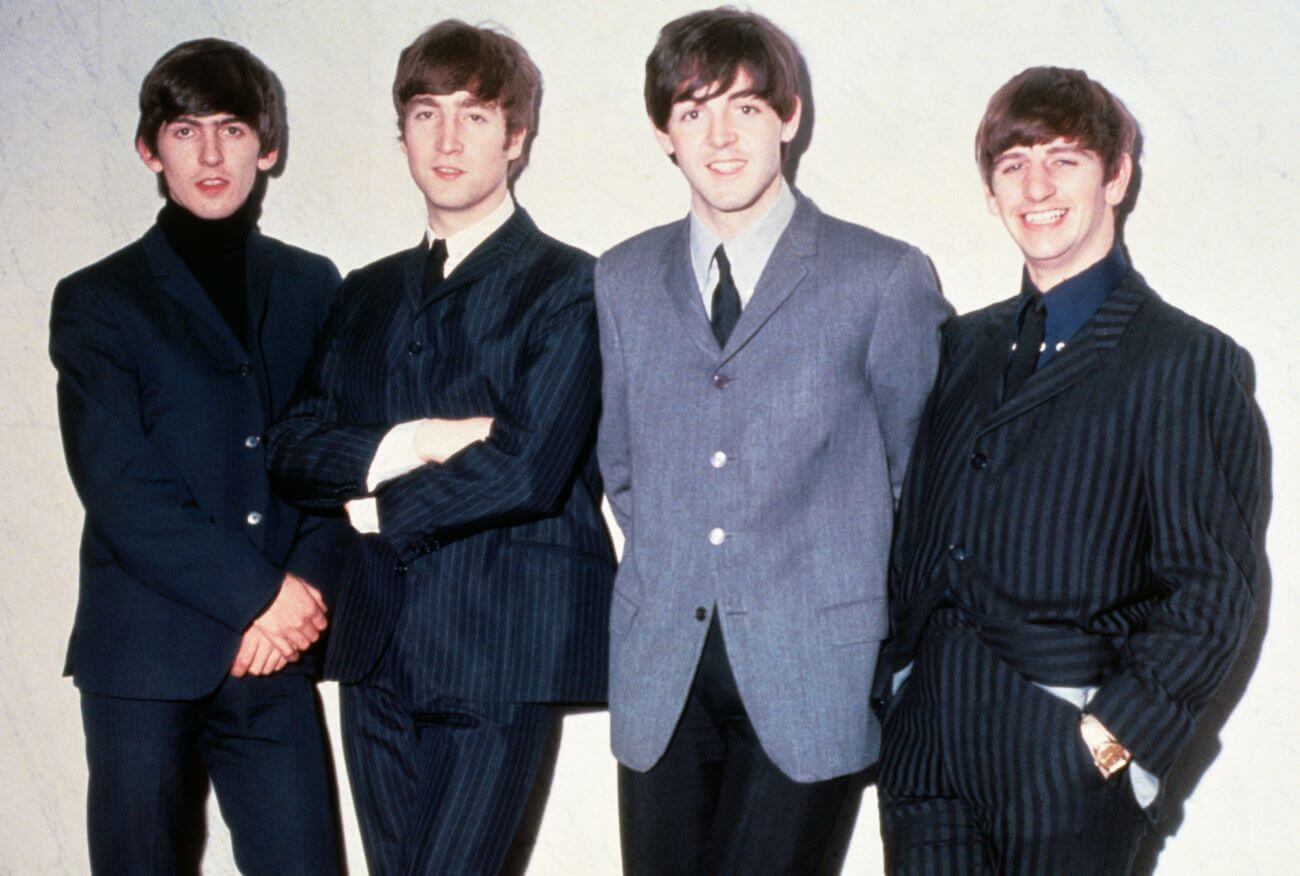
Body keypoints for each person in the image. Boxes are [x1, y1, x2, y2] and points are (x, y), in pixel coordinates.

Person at [874, 66, 1261, 874]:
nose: (1036, 185)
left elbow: (1213, 584)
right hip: (925, 745)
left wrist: (1119, 734)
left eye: (1065, 158)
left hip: (1063, 747)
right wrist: (899, 686)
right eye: (1013, 165)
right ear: (990, 191)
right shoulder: (961, 348)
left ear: (1117, 176)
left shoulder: (1184, 360)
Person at [595, 8, 949, 873]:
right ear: (662, 133)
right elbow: (623, 466)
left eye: (746, 108)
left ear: (789, 117)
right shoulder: (621, 276)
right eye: (692, 111)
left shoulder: (884, 276)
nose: (720, 136)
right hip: (660, 676)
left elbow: (922, 481)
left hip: (812, 673)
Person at [265, 20, 614, 875]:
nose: (448, 139)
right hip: (376, 642)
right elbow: (291, 449)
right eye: (426, 114)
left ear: (518, 137)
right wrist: (412, 441)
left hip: (501, 645)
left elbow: (530, 467)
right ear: (403, 134)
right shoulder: (364, 292)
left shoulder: (573, 284)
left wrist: (372, 504)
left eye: (476, 115)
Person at [49, 38, 345, 874]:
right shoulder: (98, 301)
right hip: (143, 654)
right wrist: (259, 596)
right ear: (150, 149)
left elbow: (327, 461)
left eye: (232, 129)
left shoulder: (312, 286)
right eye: (185, 131)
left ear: (268, 146)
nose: (211, 154)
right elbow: (121, 488)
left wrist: (302, 600)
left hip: (273, 653)